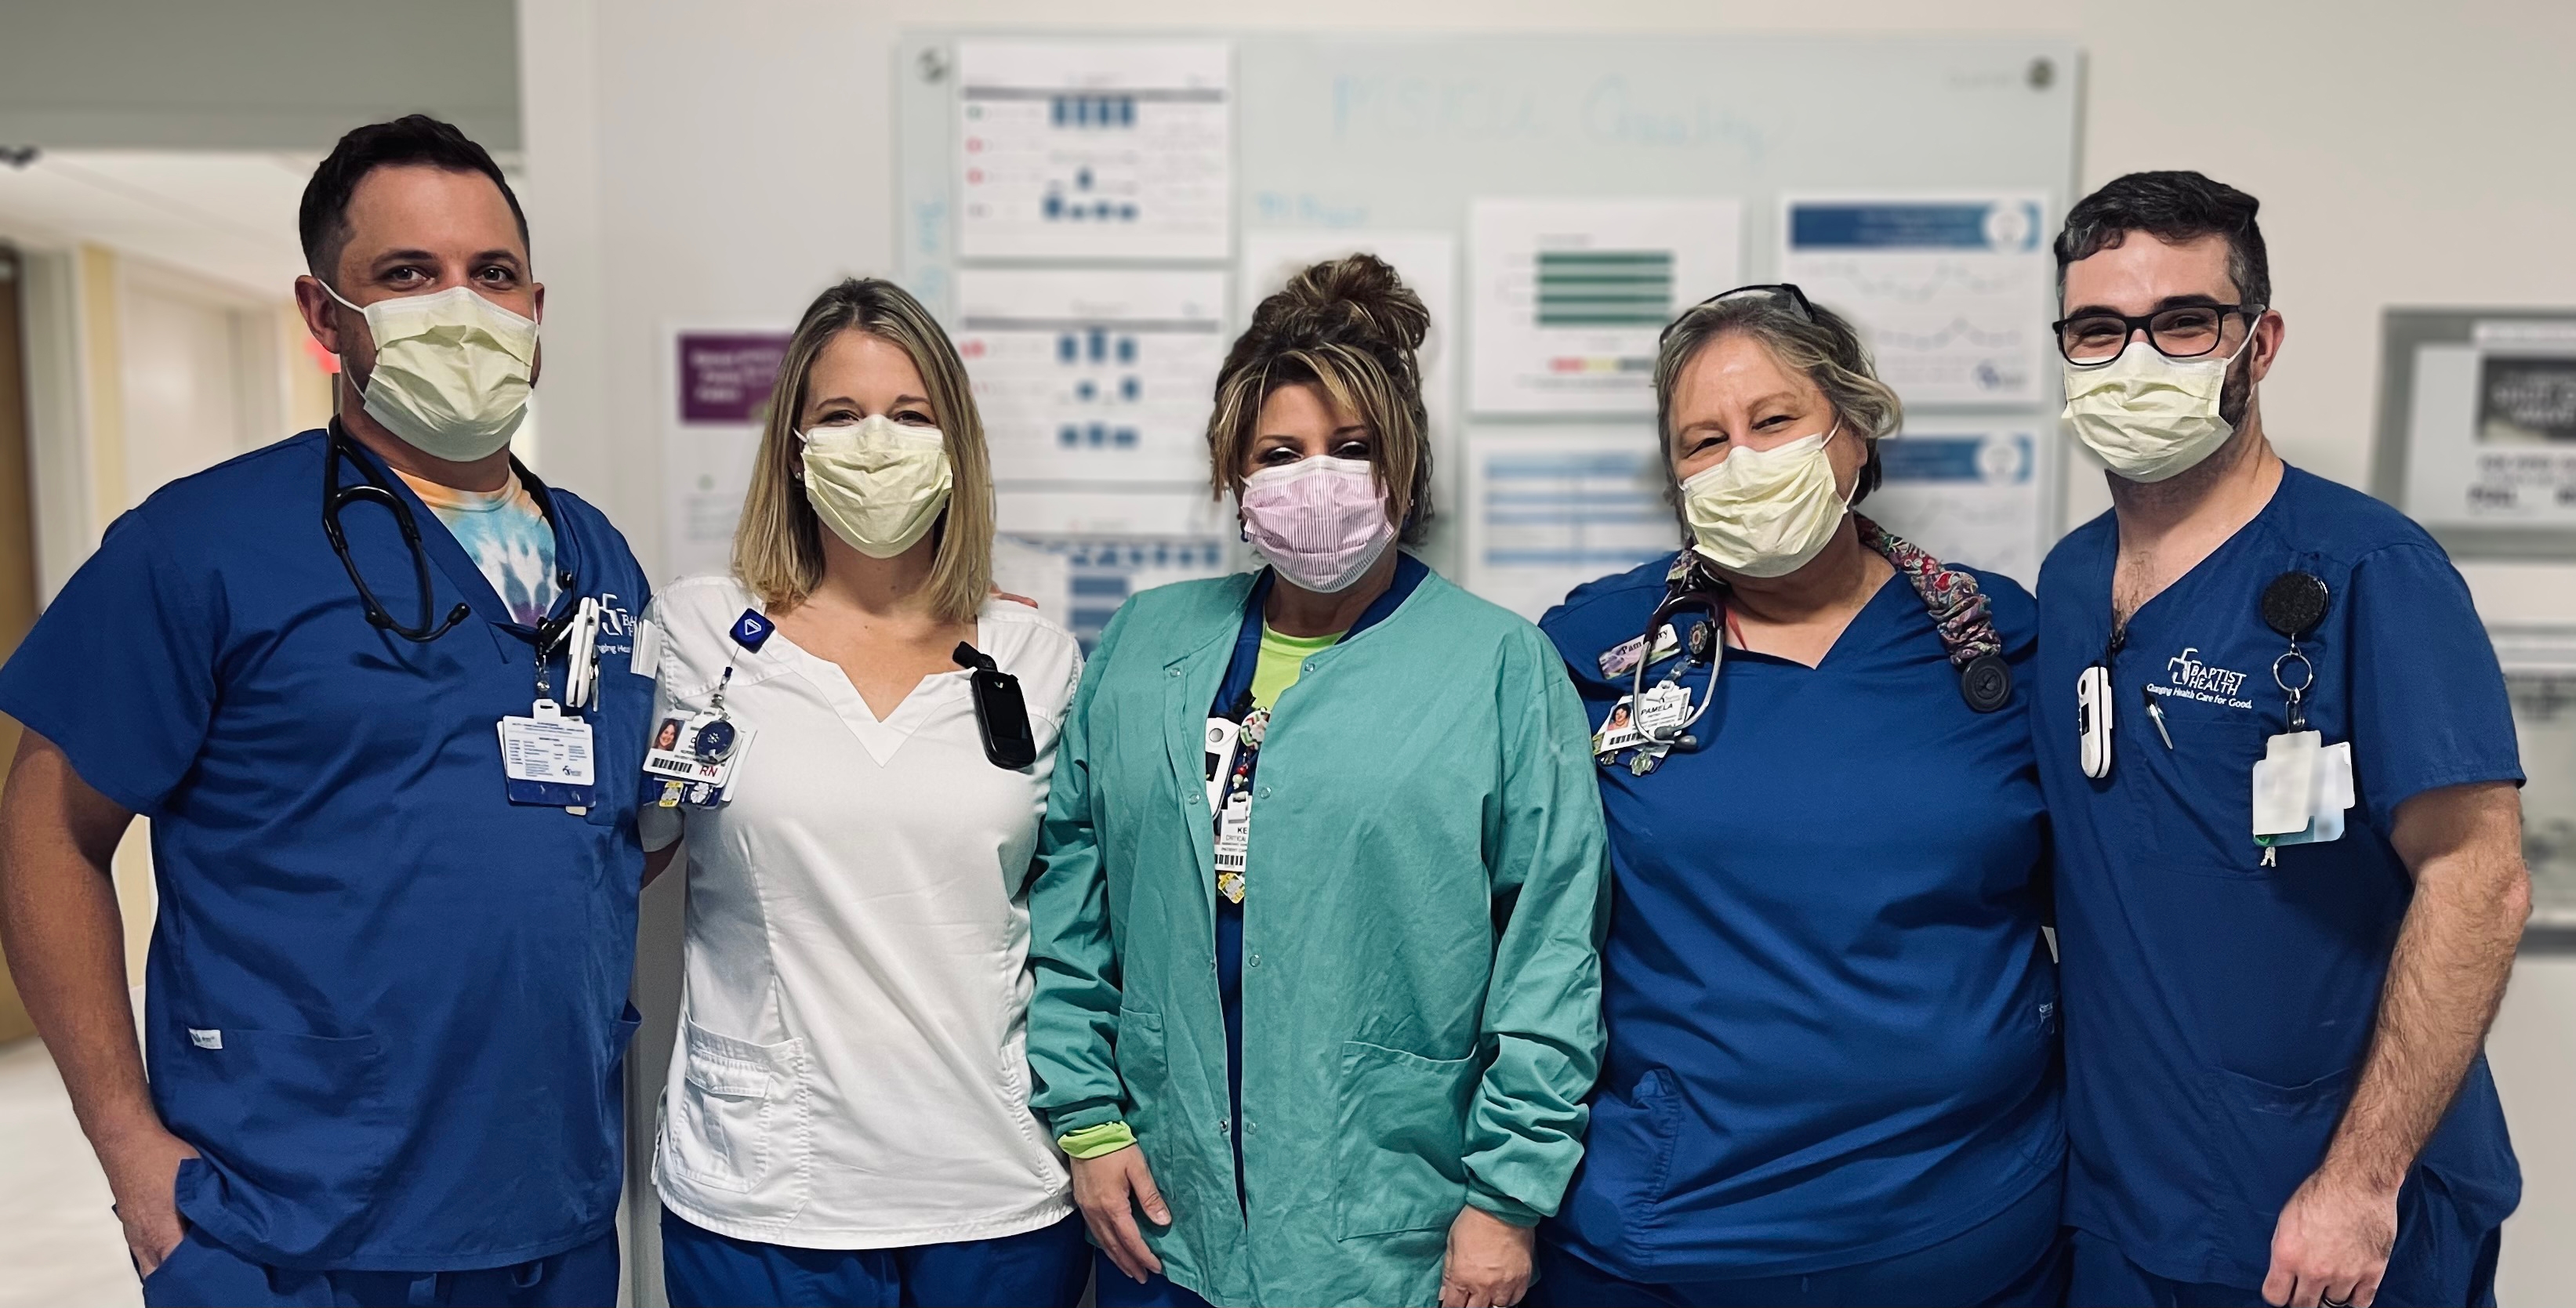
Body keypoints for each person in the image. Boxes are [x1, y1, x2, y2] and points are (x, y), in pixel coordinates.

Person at [0, 116, 654, 1307]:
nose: (461, 307)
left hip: (549, 1204)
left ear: (535, 305)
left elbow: (600, 831)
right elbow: (49, 829)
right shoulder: (200, 545)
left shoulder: (595, 557)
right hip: (287, 1223)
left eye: (490, 274)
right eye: (407, 275)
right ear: (324, 315)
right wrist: (130, 1153)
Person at [1025, 255, 1609, 1308]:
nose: (1316, 478)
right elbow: (1072, 897)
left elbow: (1551, 951)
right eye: (1278, 453)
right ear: (1234, 477)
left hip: (1394, 1230)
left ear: (1402, 468)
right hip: (1165, 1219)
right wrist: (1088, 1116)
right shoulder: (1149, 645)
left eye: (1351, 449)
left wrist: (1507, 1195)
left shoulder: (1495, 666)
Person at [2033, 172, 2528, 1308]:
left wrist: (2358, 1182)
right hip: (2122, 1203)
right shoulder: (2063, 586)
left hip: (2329, 1216)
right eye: (2099, 330)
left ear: (2257, 343)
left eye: (2182, 323)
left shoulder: (2370, 571)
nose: (2135, 360)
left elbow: (2478, 880)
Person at [1530, 285, 2067, 1307]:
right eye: (1703, 440)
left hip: (1965, 1225)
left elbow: (2114, 909)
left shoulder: (1995, 644)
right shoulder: (1601, 652)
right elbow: (1513, 932)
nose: (1741, 460)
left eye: (1773, 421)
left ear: (1853, 430)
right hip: (1680, 1235)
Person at [640, 277, 1090, 1308]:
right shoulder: (700, 635)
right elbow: (618, 854)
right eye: (841, 415)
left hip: (994, 1190)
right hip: (764, 1193)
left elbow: (1076, 927)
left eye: (910, 415)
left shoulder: (1033, 655)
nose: (876, 443)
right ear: (793, 442)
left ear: (955, 446)